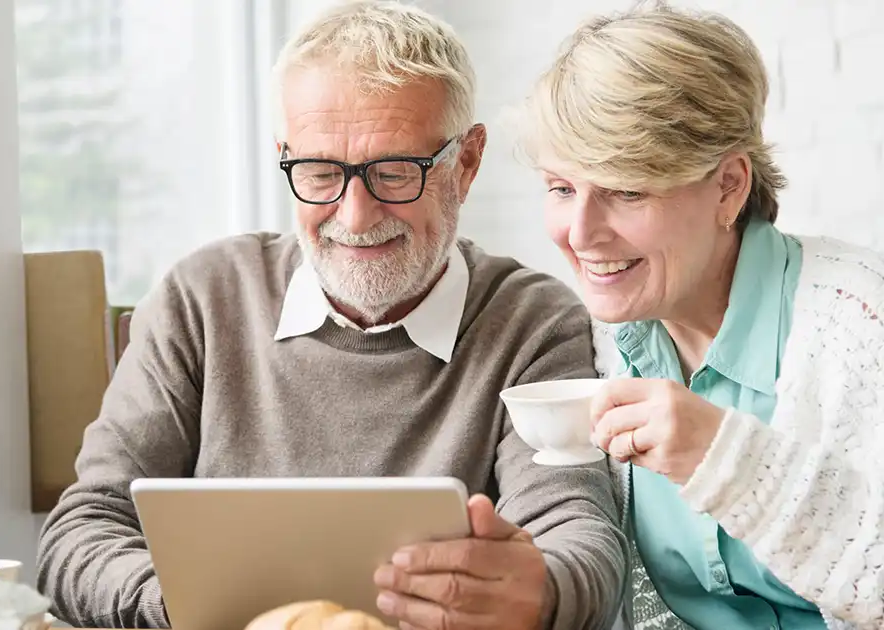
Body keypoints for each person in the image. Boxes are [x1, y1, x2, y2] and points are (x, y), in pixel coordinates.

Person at [37, 2, 628, 629]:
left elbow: (579, 539)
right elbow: (81, 532)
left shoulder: (533, 323)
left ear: (466, 163)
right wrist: (189, 603)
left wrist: (539, 595)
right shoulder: (203, 299)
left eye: (395, 173)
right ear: (285, 155)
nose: (354, 216)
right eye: (320, 173)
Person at [516, 2, 884, 629]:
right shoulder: (601, 343)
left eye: (626, 190)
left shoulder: (859, 324)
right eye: (561, 188)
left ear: (729, 186)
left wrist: (730, 462)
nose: (579, 234)